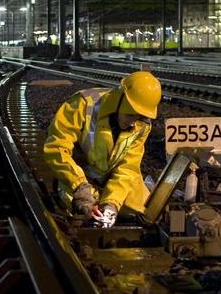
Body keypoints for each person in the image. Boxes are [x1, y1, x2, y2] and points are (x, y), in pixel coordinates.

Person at [42, 71, 161, 227]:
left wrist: (111, 204)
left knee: (143, 208)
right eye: (131, 115)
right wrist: (80, 186)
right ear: (120, 100)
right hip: (79, 176)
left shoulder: (141, 125)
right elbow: (56, 148)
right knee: (80, 208)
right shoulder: (82, 105)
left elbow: (128, 168)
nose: (133, 122)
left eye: (139, 117)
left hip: (111, 178)